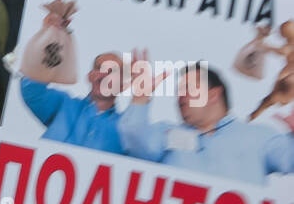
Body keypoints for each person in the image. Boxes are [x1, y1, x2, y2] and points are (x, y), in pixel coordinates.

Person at [119, 63, 294, 187]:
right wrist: (140, 98)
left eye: (188, 89)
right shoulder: (166, 132)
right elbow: (135, 143)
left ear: (213, 95)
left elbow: (289, 161)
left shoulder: (260, 137)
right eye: (179, 92)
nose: (180, 97)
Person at [20, 52, 126, 154]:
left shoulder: (125, 129)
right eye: (100, 68)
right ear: (90, 76)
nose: (104, 75)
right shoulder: (63, 104)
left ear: (122, 86)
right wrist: (52, 56)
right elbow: (32, 90)